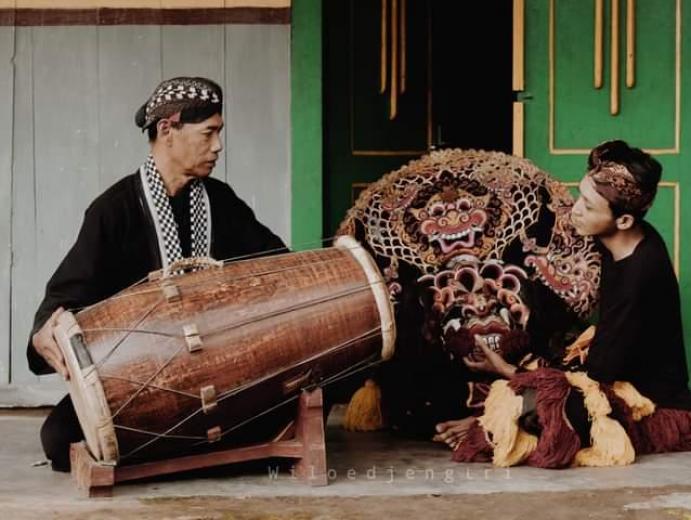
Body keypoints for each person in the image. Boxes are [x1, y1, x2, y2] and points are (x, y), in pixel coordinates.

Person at [28, 76, 287, 471]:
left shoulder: (221, 202)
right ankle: (206, 447)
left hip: (218, 369)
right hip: (140, 380)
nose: (218, 145)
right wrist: (44, 331)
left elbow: (279, 265)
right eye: (208, 133)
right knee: (59, 438)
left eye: (219, 132)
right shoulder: (113, 211)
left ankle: (179, 445)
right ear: (167, 130)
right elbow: (65, 298)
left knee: (300, 398)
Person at [436, 139, 691, 452]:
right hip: (610, 372)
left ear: (624, 220)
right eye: (580, 196)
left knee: (542, 413)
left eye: (589, 206)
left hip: (647, 402)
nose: (576, 210)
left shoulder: (639, 276)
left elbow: (595, 378)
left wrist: (508, 377)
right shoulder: (623, 237)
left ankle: (489, 427)